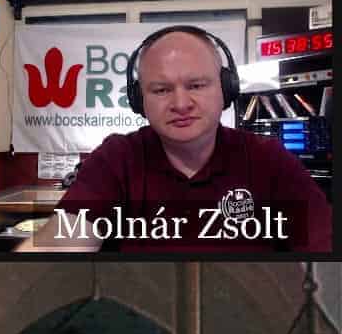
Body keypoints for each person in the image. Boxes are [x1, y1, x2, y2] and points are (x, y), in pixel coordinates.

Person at [45, 24, 331, 253]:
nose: (181, 104)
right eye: (161, 90)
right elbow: (59, 246)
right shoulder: (117, 158)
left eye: (196, 85)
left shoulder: (269, 159)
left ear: (226, 89)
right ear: (139, 100)